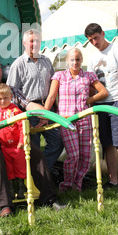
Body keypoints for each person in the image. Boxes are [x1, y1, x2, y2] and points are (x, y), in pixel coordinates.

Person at [0, 57, 64, 217]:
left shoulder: (10, 90)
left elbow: (28, 104)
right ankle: (5, 206)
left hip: (12, 139)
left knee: (36, 153)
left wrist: (43, 112)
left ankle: (50, 199)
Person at [44, 48, 108, 192]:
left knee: (85, 157)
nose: (75, 62)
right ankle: (66, 185)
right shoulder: (59, 75)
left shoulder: (88, 76)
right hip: (67, 121)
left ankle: (77, 185)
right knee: (73, 155)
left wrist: (89, 100)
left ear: (81, 60)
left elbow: (104, 92)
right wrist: (45, 115)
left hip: (85, 120)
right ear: (67, 61)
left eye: (78, 59)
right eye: (72, 59)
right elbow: (51, 97)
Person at [84, 23, 118, 193]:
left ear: (103, 34)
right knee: (107, 144)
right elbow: (91, 83)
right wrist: (90, 100)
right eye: (90, 40)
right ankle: (113, 180)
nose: (94, 42)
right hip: (99, 104)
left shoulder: (117, 50)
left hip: (116, 103)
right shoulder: (91, 58)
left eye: (96, 38)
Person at [6, 29, 64, 170]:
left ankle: (44, 171)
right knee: (34, 148)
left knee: (58, 141)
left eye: (37, 41)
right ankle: (37, 180)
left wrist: (48, 110)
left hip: (47, 107)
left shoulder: (46, 61)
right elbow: (11, 92)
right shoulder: (18, 64)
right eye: (32, 41)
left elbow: (53, 86)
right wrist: (20, 118)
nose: (35, 44)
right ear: (24, 43)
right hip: (28, 110)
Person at [0, 83, 26, 199]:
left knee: (20, 167)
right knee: (9, 168)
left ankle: (21, 189)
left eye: (5, 98)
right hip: (4, 147)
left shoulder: (15, 111)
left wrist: (22, 141)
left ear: (11, 96)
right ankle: (11, 190)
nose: (2, 101)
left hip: (17, 146)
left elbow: (23, 126)